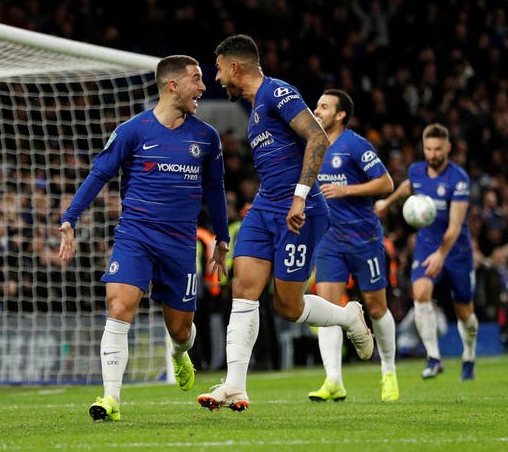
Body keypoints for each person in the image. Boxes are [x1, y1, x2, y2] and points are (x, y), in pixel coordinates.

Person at [196, 34, 373, 413]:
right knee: (242, 286)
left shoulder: (277, 93)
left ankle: (349, 317)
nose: (217, 79)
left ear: (235, 66)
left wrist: (300, 196)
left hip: (301, 210)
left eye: (220, 70)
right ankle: (235, 386)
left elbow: (317, 137)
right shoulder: (254, 108)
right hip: (264, 208)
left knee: (287, 307)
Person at [59, 55, 230, 421]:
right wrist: (70, 218)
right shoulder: (132, 131)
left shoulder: (206, 137)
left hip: (180, 244)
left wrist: (221, 237)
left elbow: (215, 190)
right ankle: (111, 399)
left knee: (180, 330)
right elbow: (98, 175)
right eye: (196, 80)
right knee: (119, 307)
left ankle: (181, 354)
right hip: (135, 236)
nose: (202, 87)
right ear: (173, 85)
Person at [308, 89, 398, 402]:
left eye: (324, 106)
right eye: (317, 105)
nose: (316, 110)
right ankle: (333, 380)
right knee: (328, 310)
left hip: (364, 238)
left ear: (341, 114)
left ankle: (389, 372)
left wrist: (348, 191)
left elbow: (386, 184)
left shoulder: (356, 145)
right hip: (329, 240)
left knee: (377, 307)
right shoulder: (313, 146)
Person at [375, 123, 478, 380]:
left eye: (438, 149)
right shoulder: (417, 171)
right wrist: (387, 202)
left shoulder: (459, 179)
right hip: (426, 244)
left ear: (448, 148)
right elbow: (408, 186)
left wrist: (442, 254)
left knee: (464, 311)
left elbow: (455, 225)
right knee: (420, 294)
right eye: (428, 149)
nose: (433, 154)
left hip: (456, 249)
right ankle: (434, 358)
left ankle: (469, 355)